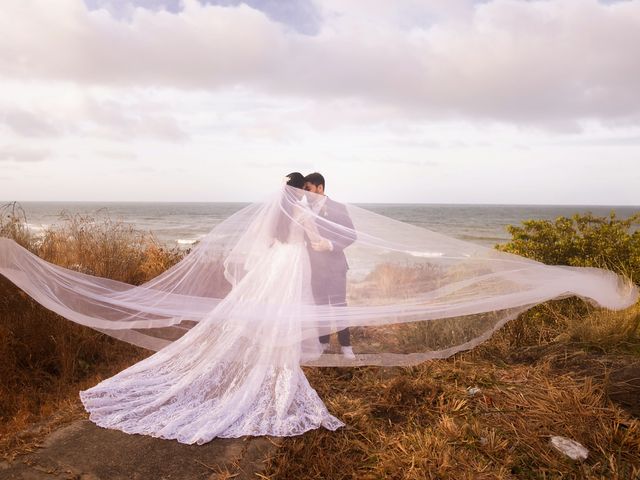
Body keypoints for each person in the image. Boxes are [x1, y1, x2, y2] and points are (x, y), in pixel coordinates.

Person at [79, 173, 345, 444]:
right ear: (300, 191)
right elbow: (315, 242)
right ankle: (280, 366)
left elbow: (265, 242)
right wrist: (325, 244)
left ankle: (271, 361)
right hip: (293, 263)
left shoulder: (278, 210)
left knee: (269, 310)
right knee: (286, 311)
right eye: (306, 190)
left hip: (275, 262)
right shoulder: (301, 211)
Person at [303, 172, 357, 360]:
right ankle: (323, 343)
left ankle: (346, 346)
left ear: (320, 187)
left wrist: (331, 245)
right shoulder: (304, 209)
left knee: (339, 306)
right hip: (315, 267)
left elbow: (351, 235)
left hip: (335, 265)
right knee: (320, 306)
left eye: (308, 189)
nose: (305, 193)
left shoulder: (337, 207)